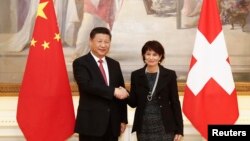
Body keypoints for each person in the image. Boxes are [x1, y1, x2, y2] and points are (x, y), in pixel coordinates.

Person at [72, 27, 129, 141]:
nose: (103, 45)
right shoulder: (80, 63)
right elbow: (87, 85)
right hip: (90, 124)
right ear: (91, 41)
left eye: (107, 42)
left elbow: (121, 90)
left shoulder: (114, 64)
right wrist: (113, 91)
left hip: (112, 124)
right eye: (100, 41)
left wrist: (123, 119)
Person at [127, 40, 183, 141]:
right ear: (143, 55)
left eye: (155, 54)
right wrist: (126, 94)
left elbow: (175, 102)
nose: (151, 57)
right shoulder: (136, 75)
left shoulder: (169, 75)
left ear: (160, 56)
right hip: (144, 127)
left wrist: (179, 129)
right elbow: (133, 103)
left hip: (165, 127)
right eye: (148, 54)